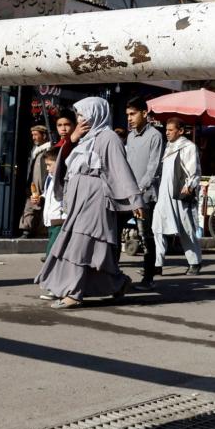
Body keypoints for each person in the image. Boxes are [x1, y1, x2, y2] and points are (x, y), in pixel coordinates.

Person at [35, 98, 143, 309]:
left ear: (97, 113)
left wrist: (135, 199)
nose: (81, 120)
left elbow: (121, 169)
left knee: (79, 247)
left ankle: (74, 293)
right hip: (77, 202)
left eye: (84, 115)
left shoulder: (109, 137)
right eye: (80, 116)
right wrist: (72, 139)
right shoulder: (82, 139)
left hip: (95, 201)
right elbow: (61, 165)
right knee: (92, 250)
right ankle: (118, 284)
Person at [152, 117, 203, 275]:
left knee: (185, 229)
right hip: (163, 195)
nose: (167, 133)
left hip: (179, 194)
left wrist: (189, 186)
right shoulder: (168, 146)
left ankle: (195, 262)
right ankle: (157, 264)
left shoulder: (188, 147)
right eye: (166, 130)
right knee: (157, 228)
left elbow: (194, 170)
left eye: (170, 130)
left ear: (180, 131)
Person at [123, 97, 164, 290]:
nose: (129, 119)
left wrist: (139, 190)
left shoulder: (155, 135)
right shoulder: (130, 136)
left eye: (133, 114)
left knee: (145, 235)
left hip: (144, 196)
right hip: (125, 194)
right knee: (116, 233)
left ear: (144, 113)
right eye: (127, 115)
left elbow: (153, 167)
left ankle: (149, 277)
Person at [20, 125, 53, 238]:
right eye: (32, 135)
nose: (33, 137)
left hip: (44, 186)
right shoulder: (35, 151)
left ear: (43, 135)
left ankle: (42, 232)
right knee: (30, 207)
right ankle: (26, 230)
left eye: (35, 135)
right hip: (33, 185)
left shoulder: (48, 149)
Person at [38, 149, 67, 258]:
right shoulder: (49, 179)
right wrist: (40, 198)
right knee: (54, 245)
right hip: (51, 219)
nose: (47, 168)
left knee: (53, 249)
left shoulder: (63, 179)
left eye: (49, 165)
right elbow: (47, 194)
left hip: (60, 219)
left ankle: (49, 261)